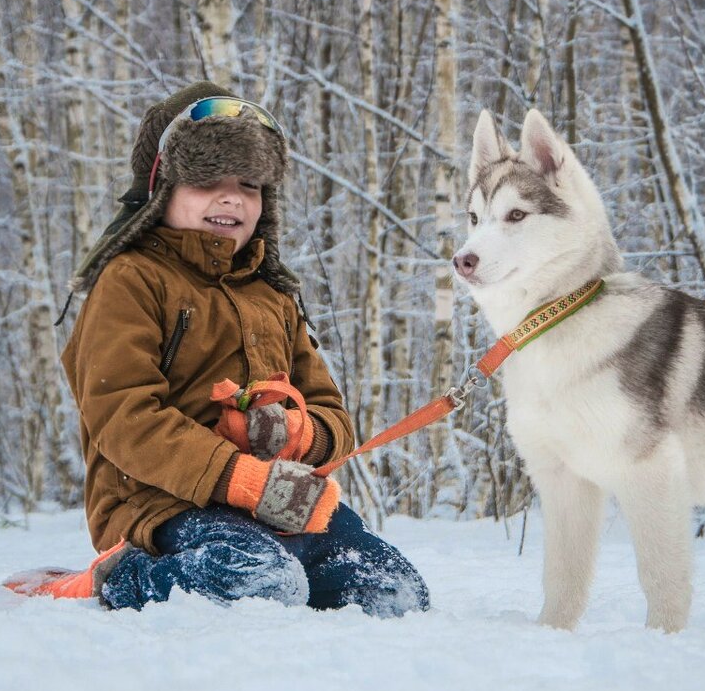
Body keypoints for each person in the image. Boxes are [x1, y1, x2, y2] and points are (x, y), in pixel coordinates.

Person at [40, 81, 429, 616]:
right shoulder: (131, 280)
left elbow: (334, 417)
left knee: (394, 592)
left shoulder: (271, 294)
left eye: (248, 184)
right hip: (161, 505)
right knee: (258, 581)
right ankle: (123, 577)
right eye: (207, 181)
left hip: (279, 503)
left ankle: (289, 573)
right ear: (161, 187)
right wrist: (240, 477)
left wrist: (296, 433)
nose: (231, 198)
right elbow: (124, 419)